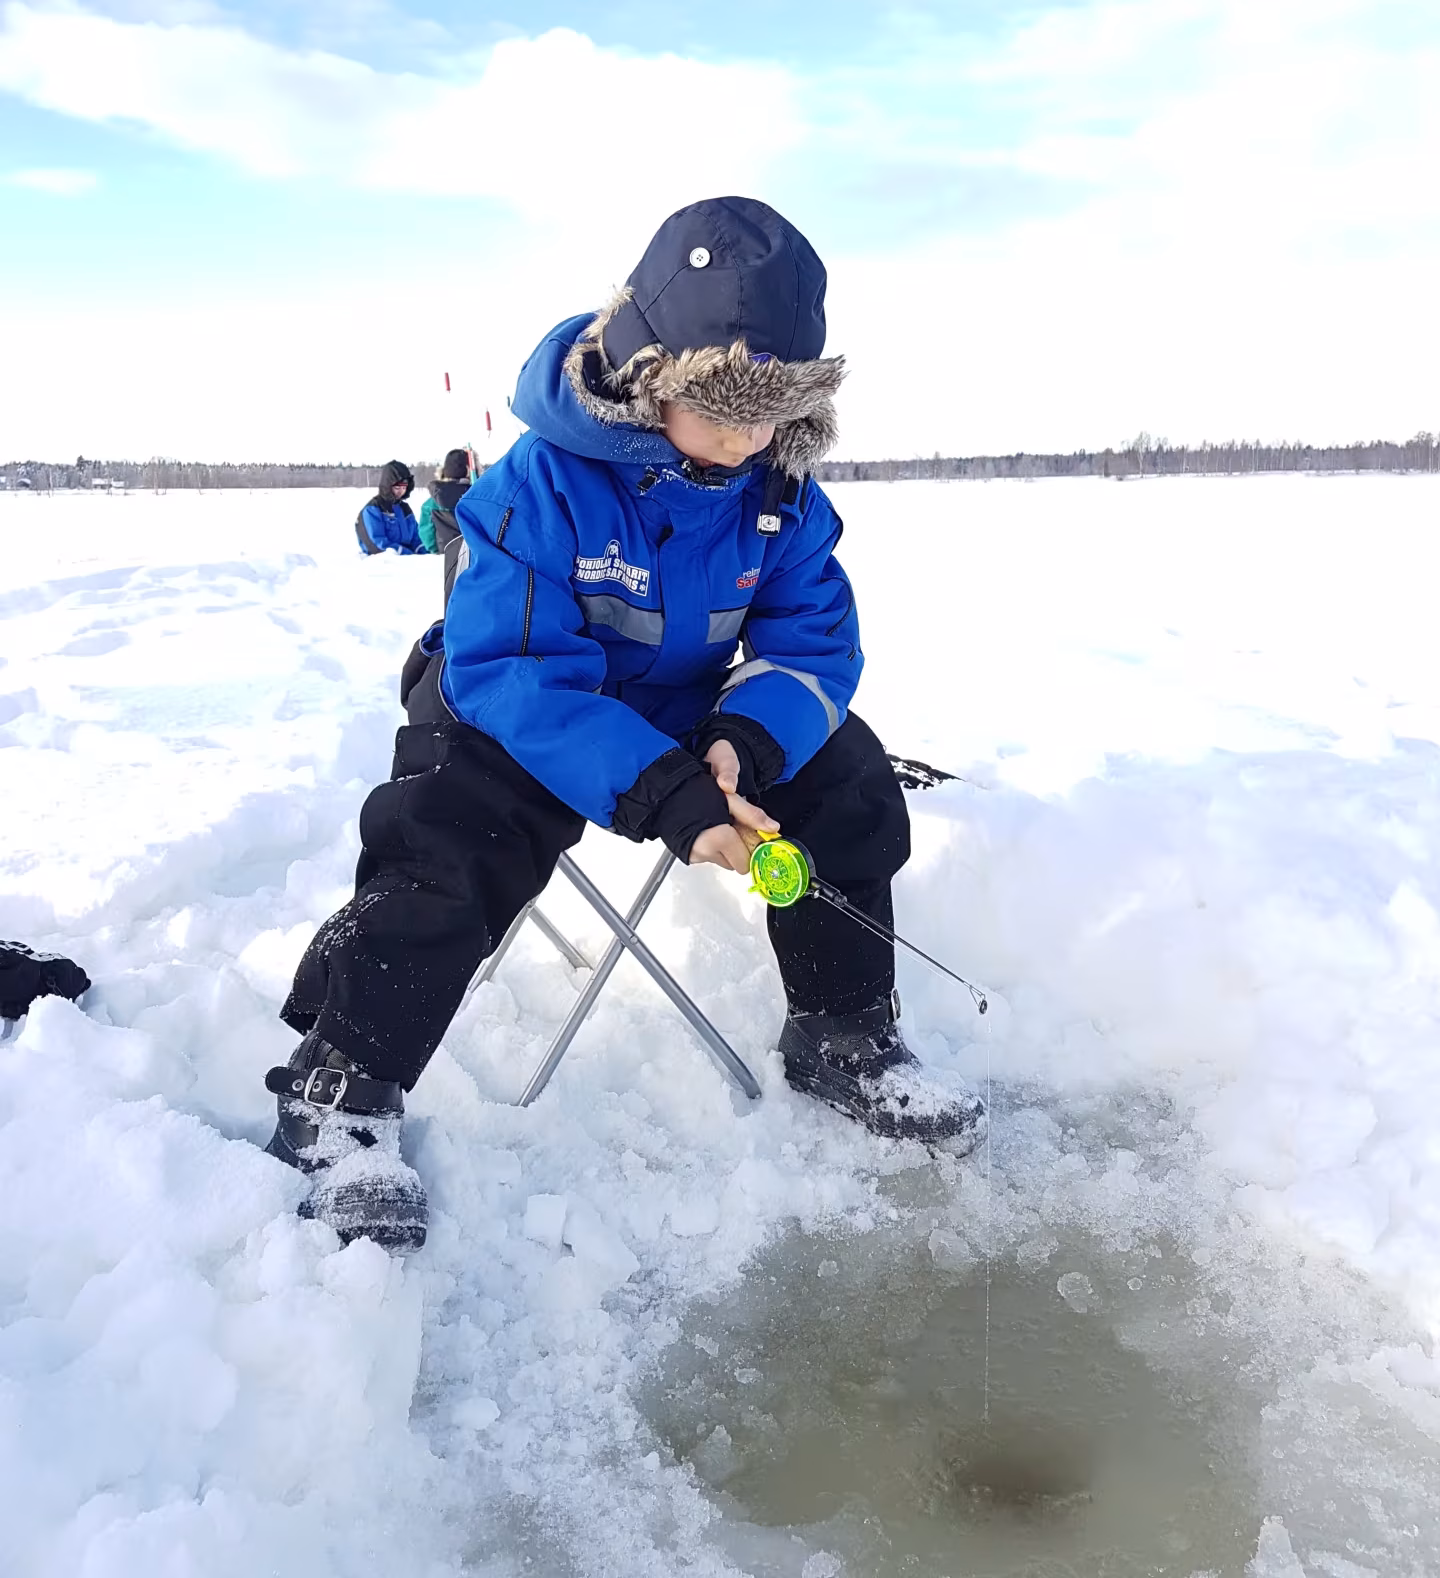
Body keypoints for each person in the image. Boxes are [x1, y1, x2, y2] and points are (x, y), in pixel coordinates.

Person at [265, 197, 986, 1253]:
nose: (747, 441)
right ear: (651, 380)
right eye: (723, 413)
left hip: (683, 708)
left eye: (770, 418)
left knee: (848, 776)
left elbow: (812, 647)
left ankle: (844, 1032)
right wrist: (664, 791)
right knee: (453, 833)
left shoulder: (781, 495)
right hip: (509, 705)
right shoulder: (540, 486)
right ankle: (343, 1082)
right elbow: (518, 671)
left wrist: (745, 741)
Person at [417, 448, 473, 600]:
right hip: (473, 559)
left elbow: (427, 534)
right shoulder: (477, 497)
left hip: (442, 560)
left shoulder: (431, 503)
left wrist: (435, 550)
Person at [355, 461, 424, 555]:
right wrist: (407, 555)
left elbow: (416, 538)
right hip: (383, 561)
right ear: (388, 485)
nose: (401, 491)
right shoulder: (372, 510)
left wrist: (425, 553)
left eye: (404, 488)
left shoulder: (405, 509)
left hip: (408, 559)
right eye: (397, 488)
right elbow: (378, 544)